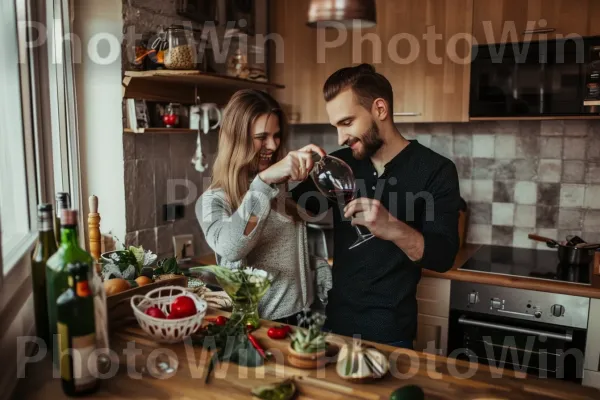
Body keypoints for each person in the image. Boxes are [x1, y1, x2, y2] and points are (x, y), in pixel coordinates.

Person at [291, 64, 461, 349]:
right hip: (335, 326)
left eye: (347, 123)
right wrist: (284, 175)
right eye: (336, 126)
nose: (340, 137)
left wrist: (392, 228)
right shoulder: (340, 163)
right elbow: (289, 212)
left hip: (391, 333)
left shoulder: (435, 170)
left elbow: (443, 256)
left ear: (380, 109)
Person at [196, 89, 331, 325]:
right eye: (262, 137)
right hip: (258, 326)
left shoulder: (276, 189)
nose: (272, 145)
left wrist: (316, 268)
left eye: (277, 135)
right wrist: (265, 181)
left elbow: (278, 253)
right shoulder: (213, 201)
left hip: (301, 319)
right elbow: (232, 247)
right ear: (237, 138)